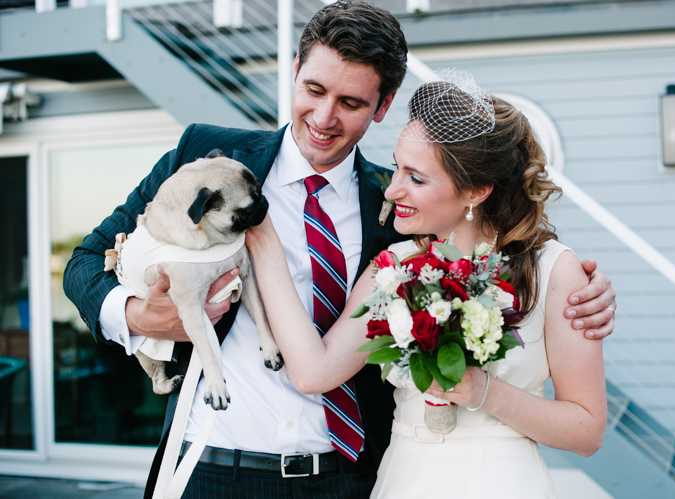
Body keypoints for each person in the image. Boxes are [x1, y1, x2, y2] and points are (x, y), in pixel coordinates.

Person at [62, 2, 615, 498]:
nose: (325, 119)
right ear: (295, 71)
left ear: (383, 105)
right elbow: (85, 263)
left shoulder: (400, 213)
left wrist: (577, 288)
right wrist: (142, 315)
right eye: (314, 90)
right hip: (212, 468)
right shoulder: (209, 160)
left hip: (351, 479)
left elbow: (493, 257)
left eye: (350, 102)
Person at [245, 74, 606, 498]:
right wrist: (264, 241)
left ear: (476, 191)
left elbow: (587, 430)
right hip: (405, 479)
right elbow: (313, 371)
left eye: (415, 178)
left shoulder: (554, 271)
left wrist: (483, 392)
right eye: (397, 166)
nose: (393, 188)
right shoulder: (393, 266)